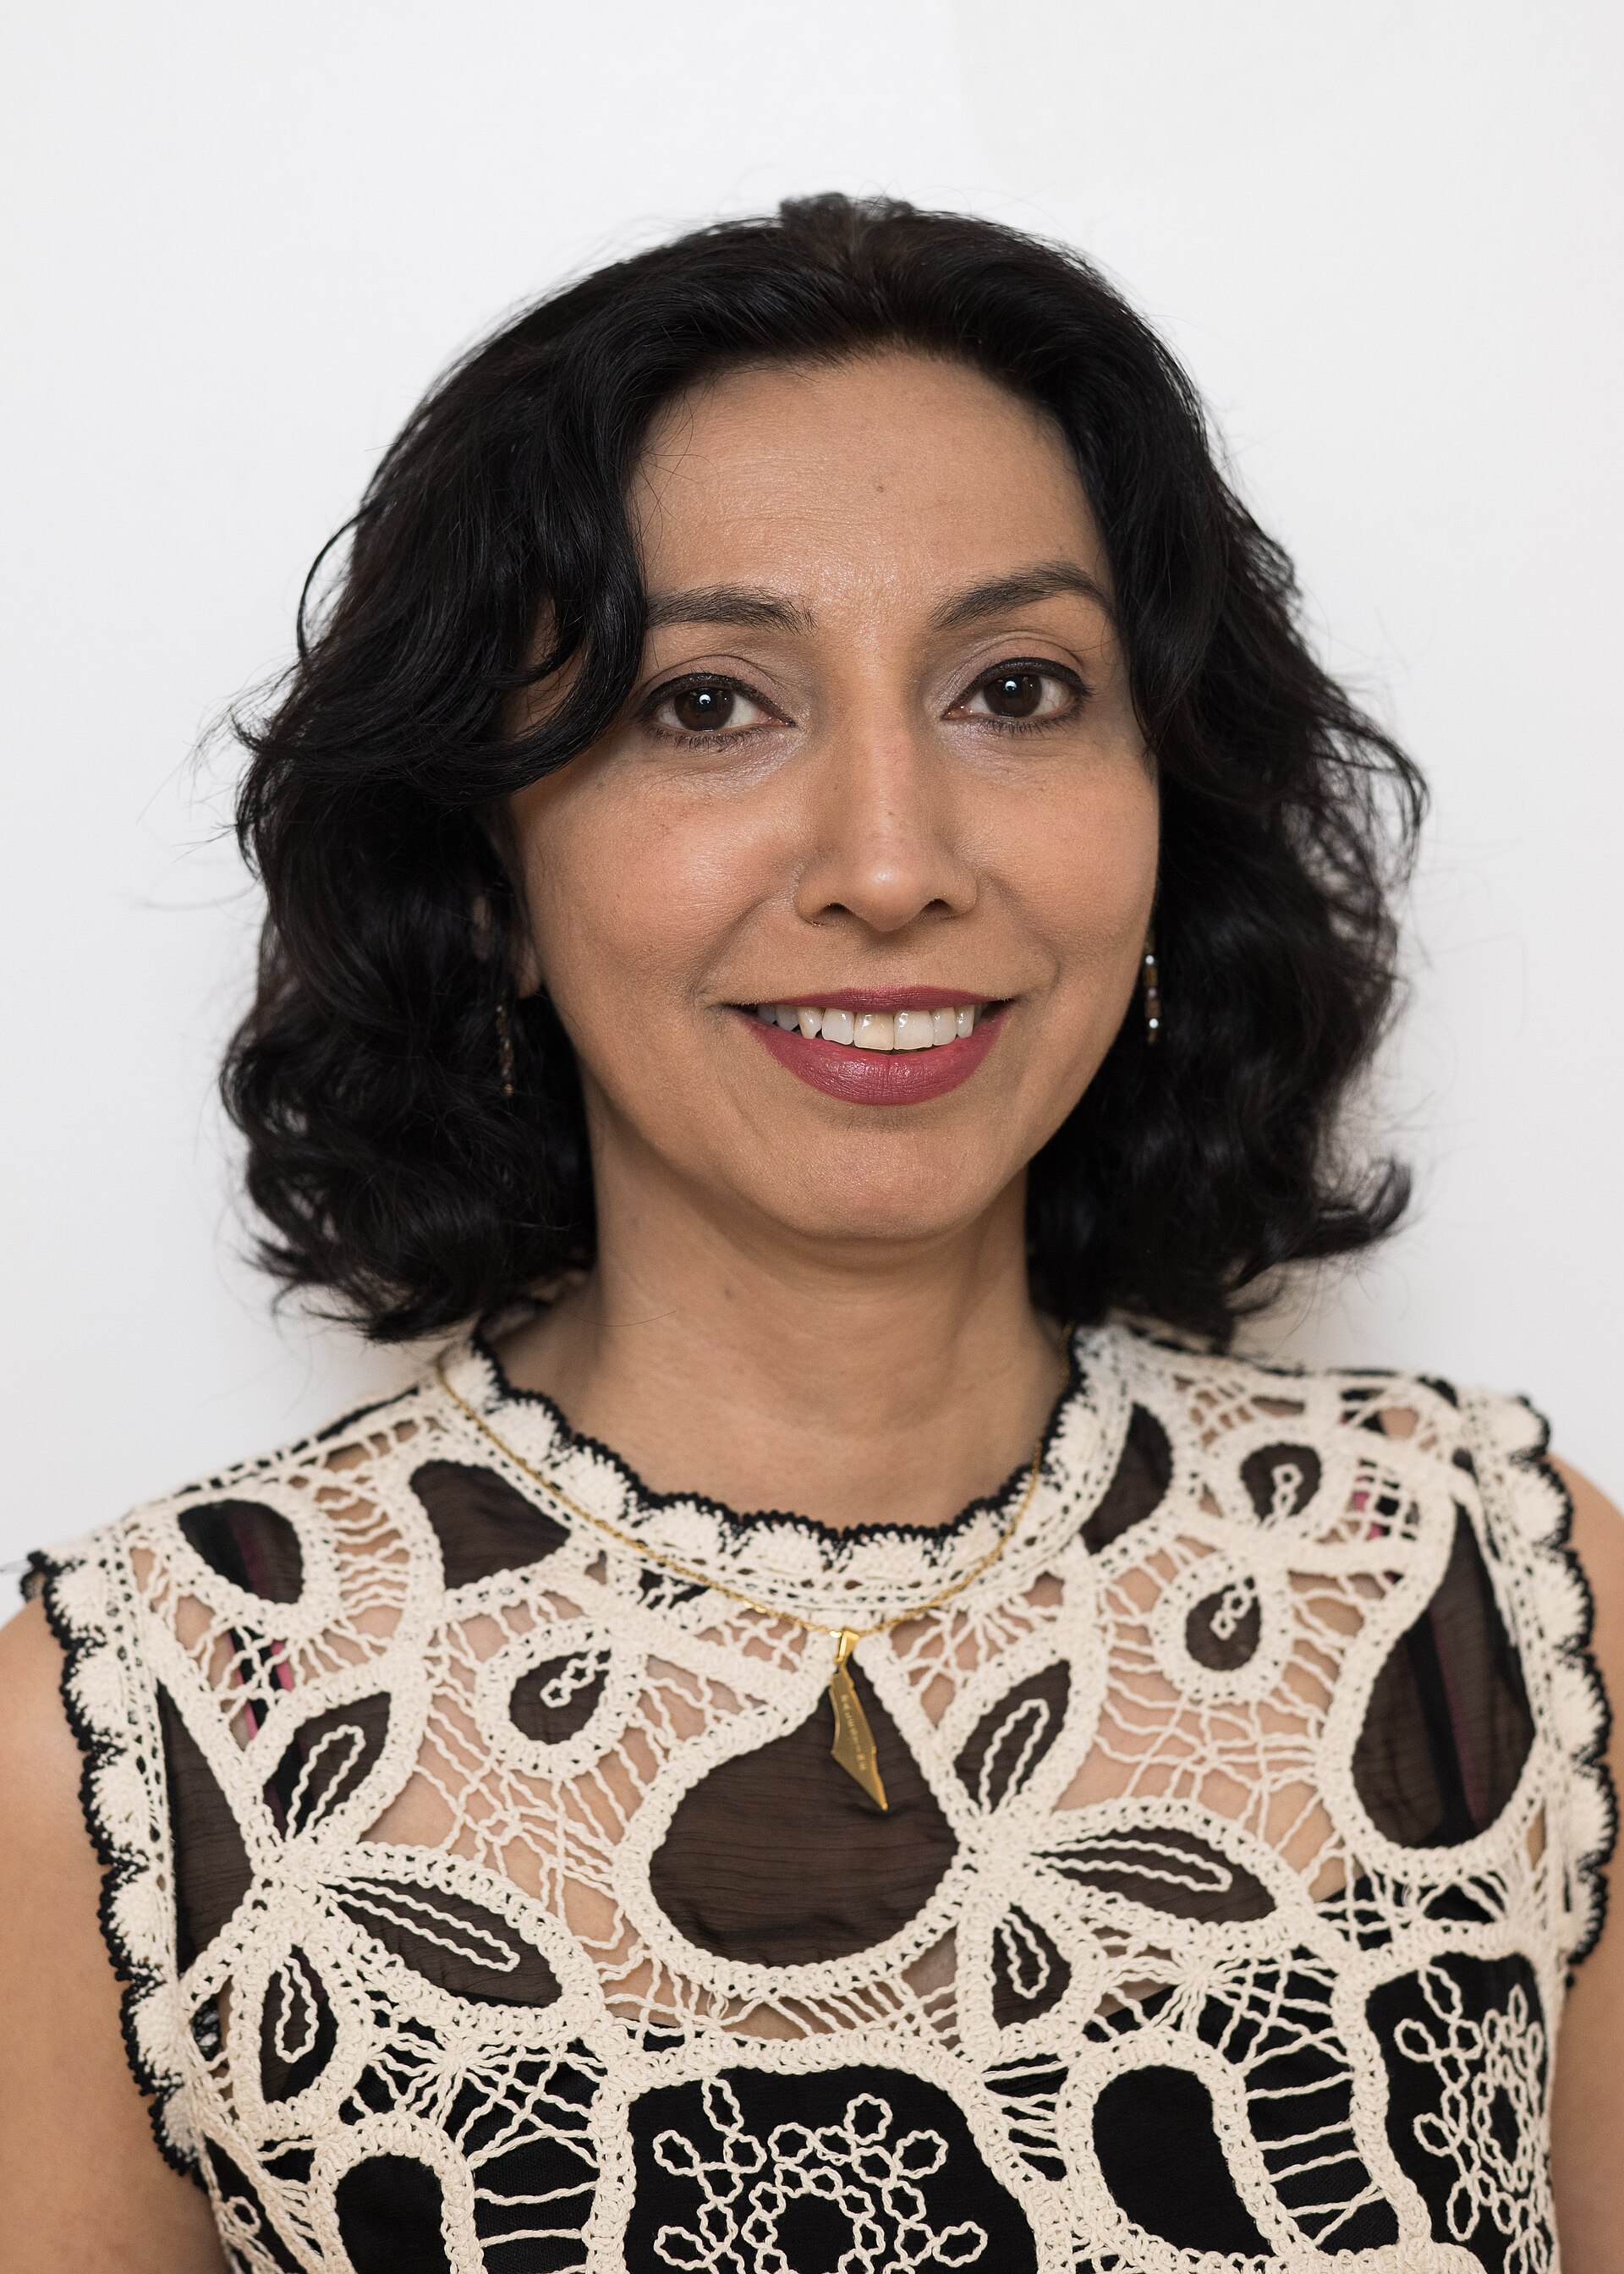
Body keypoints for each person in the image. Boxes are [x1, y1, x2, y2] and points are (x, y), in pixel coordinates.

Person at [1, 194, 1618, 2274]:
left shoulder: (1491, 1605)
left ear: (1165, 808)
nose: (888, 861)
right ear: (486, 870)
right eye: (708, 704)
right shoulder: (133, 1755)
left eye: (1017, 690)